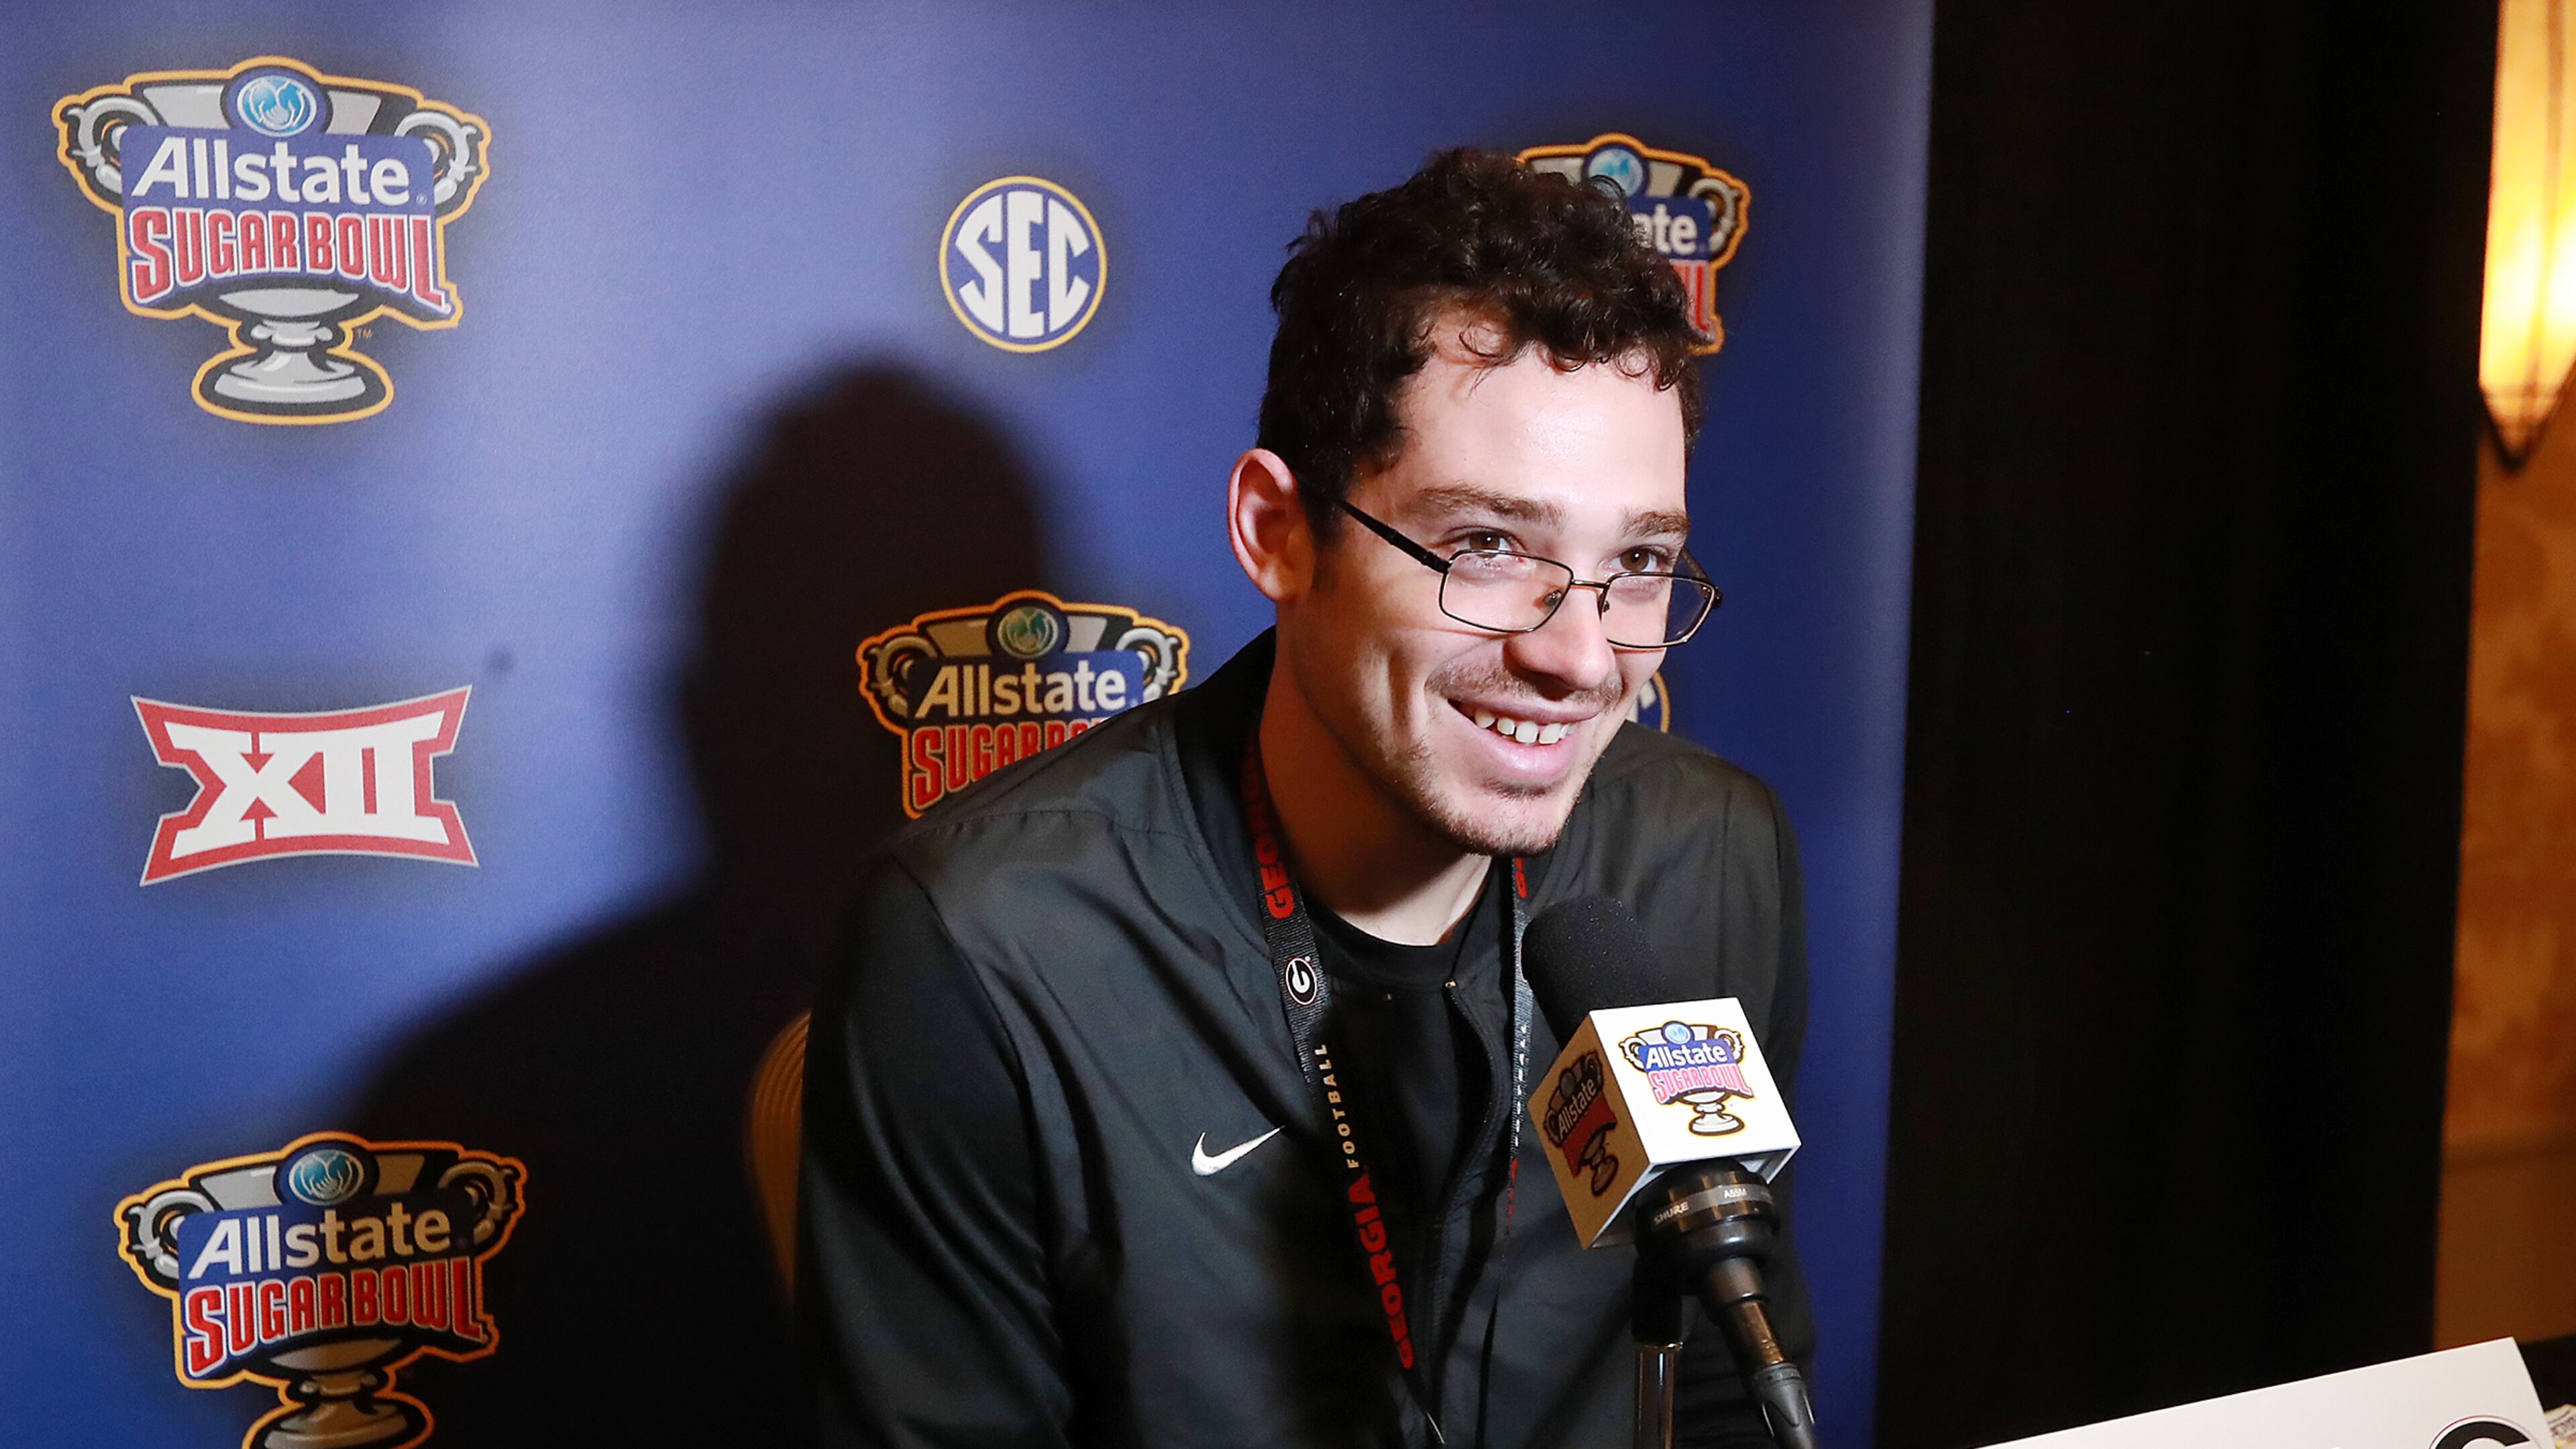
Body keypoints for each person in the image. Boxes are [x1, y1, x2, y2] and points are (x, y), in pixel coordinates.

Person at [800, 147, 1813, 1448]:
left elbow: (1738, 1375)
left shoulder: (1711, 853)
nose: (1580, 656)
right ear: (1279, 533)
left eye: (1642, 562)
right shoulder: (991, 949)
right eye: (1487, 547)